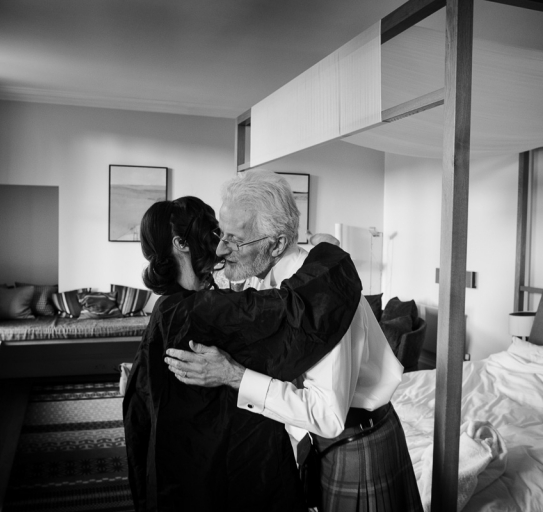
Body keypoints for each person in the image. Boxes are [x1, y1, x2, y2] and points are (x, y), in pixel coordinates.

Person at [165, 171, 423, 512]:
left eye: (234, 239)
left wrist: (233, 376)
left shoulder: (319, 300)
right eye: (220, 234)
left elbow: (327, 415)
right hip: (322, 444)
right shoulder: (265, 283)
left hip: (356, 442)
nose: (220, 248)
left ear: (276, 243)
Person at [122, 196, 364, 512]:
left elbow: (138, 411)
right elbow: (298, 311)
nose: (220, 246)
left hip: (183, 476)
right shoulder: (196, 312)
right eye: (213, 234)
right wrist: (329, 251)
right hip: (212, 478)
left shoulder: (172, 307)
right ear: (181, 243)